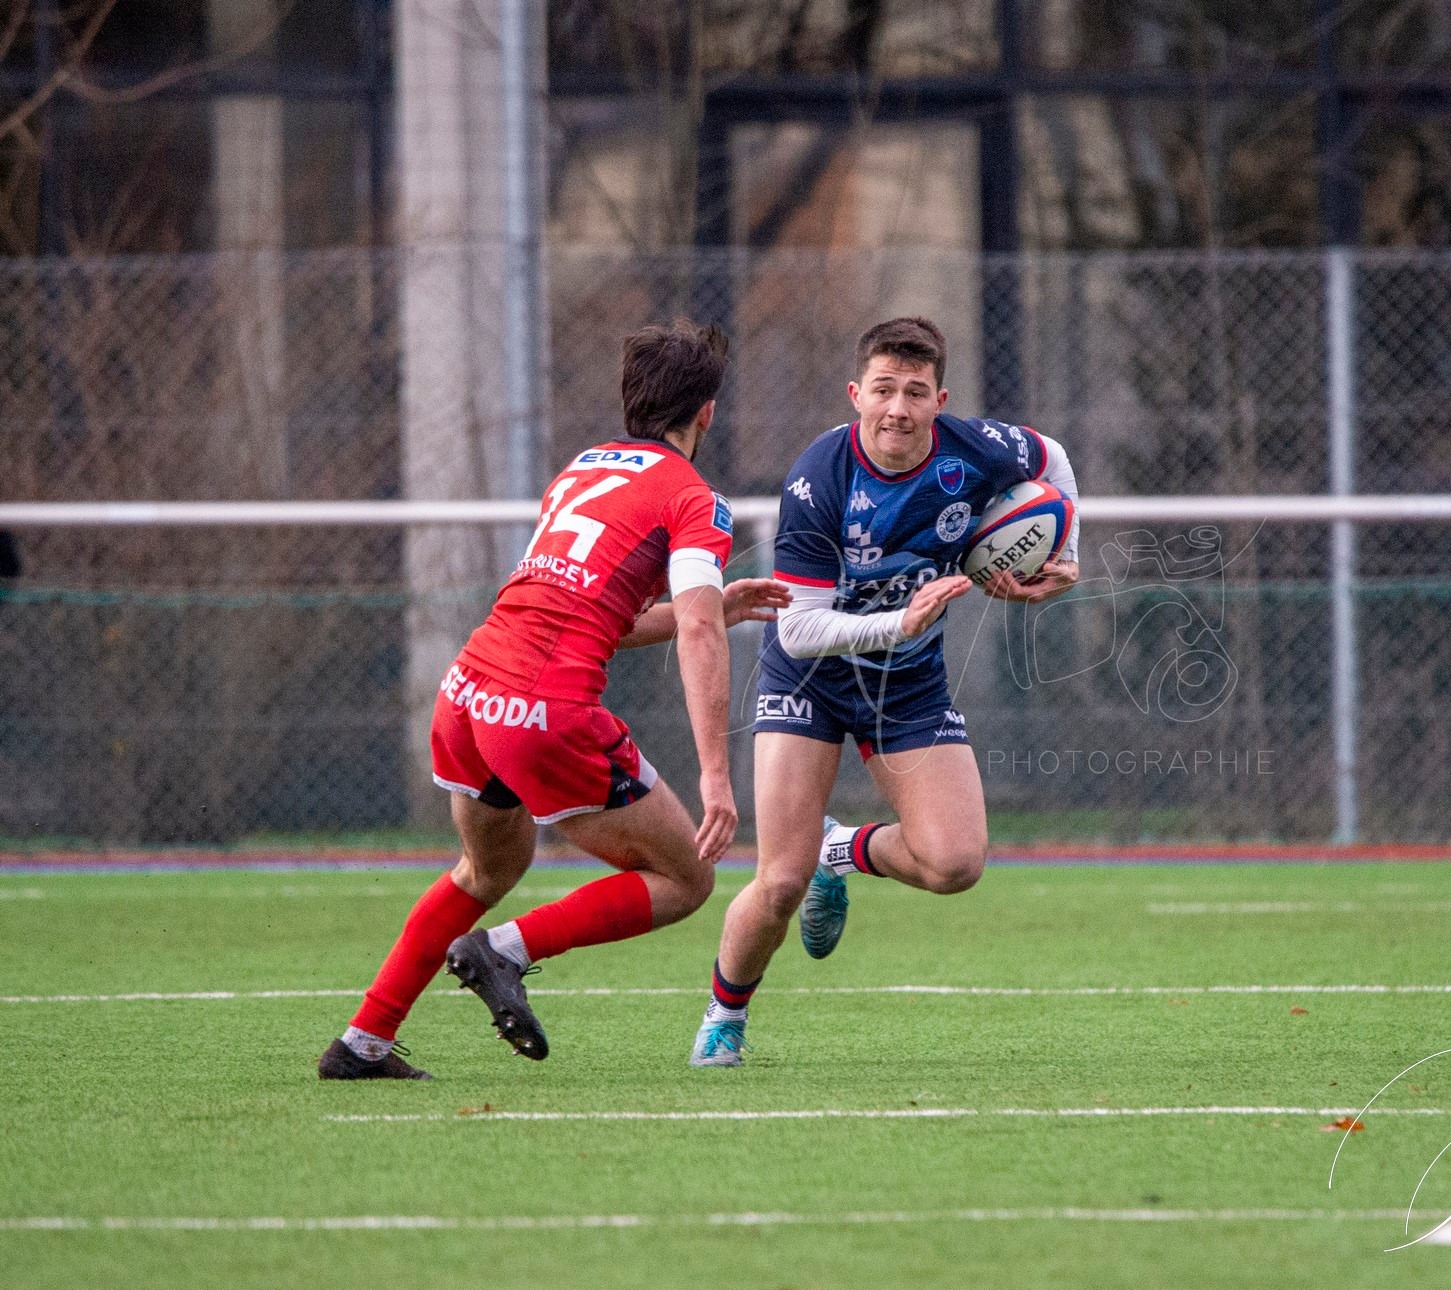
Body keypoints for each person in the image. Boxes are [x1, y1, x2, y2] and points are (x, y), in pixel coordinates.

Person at [319, 320, 789, 1080]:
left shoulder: (582, 469)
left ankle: (363, 1043)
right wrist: (715, 774)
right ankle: (503, 951)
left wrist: (718, 607)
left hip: (468, 690)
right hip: (543, 710)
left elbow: (597, 612)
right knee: (685, 880)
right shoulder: (695, 498)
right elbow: (695, 633)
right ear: (706, 411)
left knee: (485, 869)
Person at [689, 316, 1081, 1066]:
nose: (897, 408)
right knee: (778, 880)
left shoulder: (976, 450)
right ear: (854, 394)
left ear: (940, 399)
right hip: (810, 676)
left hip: (906, 683)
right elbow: (799, 629)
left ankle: (844, 849)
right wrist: (900, 620)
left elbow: (1052, 458)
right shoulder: (818, 479)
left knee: (954, 864)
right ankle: (724, 1016)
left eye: (913, 392)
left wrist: (1064, 556)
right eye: (882, 390)